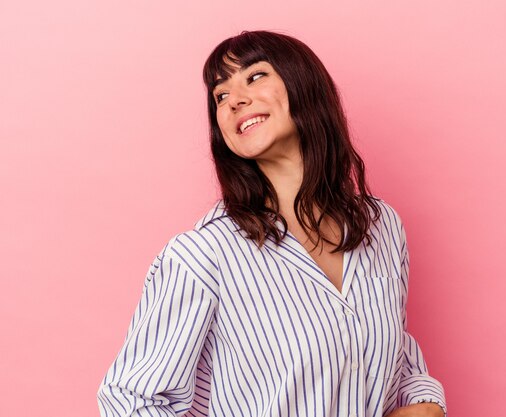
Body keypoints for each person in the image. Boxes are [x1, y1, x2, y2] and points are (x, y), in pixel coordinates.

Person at [97, 30, 446, 417]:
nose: (234, 100)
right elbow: (130, 400)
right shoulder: (202, 255)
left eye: (255, 76)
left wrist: (424, 403)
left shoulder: (382, 227)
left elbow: (394, 354)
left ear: (302, 83)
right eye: (220, 95)